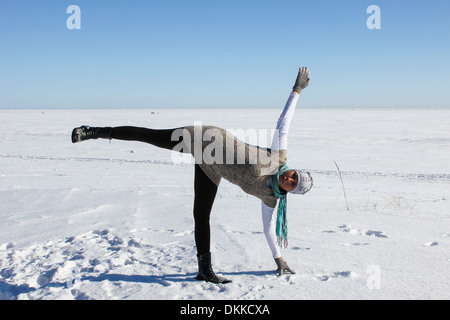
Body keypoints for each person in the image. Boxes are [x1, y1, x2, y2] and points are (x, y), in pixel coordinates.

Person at [71, 67, 313, 284]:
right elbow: (283, 123)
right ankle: (94, 131)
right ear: (293, 169)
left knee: (201, 215)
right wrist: (296, 90)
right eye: (294, 175)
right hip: (205, 139)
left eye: (293, 184)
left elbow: (268, 229)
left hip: (211, 168)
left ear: (291, 191)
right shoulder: (278, 158)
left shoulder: (271, 198)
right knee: (150, 136)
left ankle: (204, 270)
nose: (289, 179)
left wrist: (278, 259)